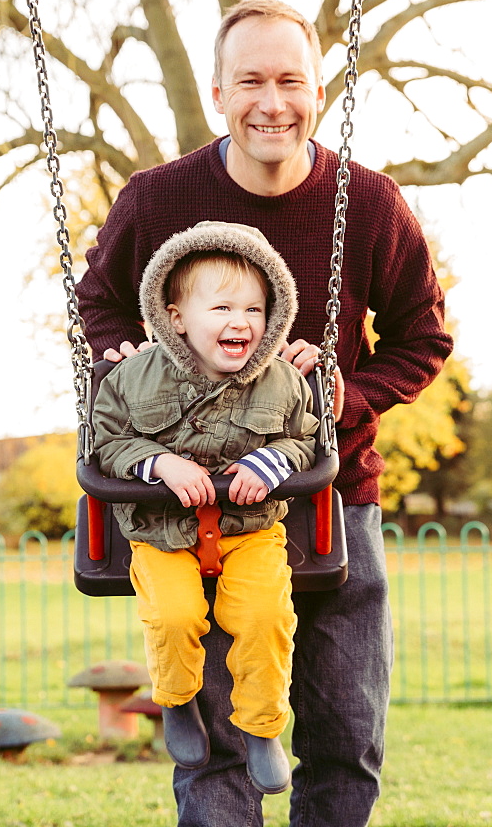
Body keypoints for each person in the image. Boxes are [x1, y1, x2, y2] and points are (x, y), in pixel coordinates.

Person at [76, 0, 454, 827]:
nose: (272, 101)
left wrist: (338, 402)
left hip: (331, 496)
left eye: (291, 80)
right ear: (218, 91)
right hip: (190, 506)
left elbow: (424, 338)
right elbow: (97, 305)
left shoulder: (372, 204)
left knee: (346, 735)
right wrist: (129, 370)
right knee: (215, 747)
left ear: (319, 91)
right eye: (251, 80)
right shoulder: (156, 198)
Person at [92, 220, 320, 794]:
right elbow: (107, 442)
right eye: (221, 308)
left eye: (254, 309)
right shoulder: (131, 378)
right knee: (173, 617)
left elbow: (306, 439)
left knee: (266, 621)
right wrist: (160, 464)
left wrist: (275, 464)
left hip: (252, 531)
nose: (240, 322)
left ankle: (262, 727)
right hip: (163, 532)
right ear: (176, 318)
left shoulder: (285, 383)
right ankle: (174, 701)